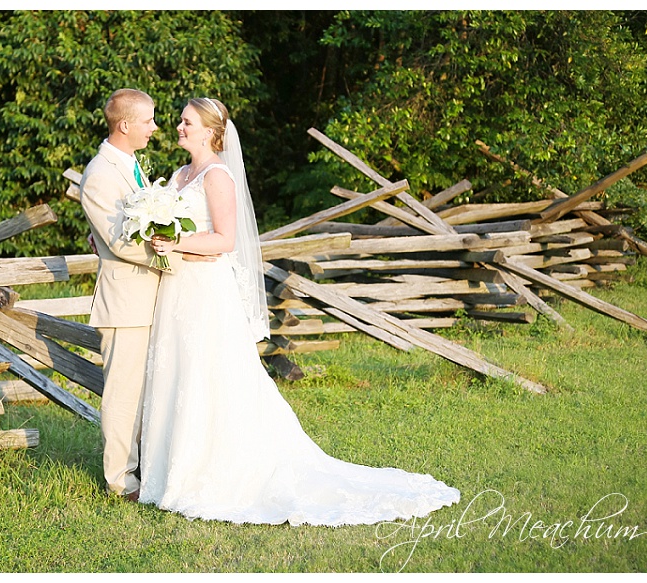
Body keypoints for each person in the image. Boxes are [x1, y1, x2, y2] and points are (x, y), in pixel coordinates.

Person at [138, 98, 461, 526]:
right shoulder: (180, 175)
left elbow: (226, 240)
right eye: (180, 121)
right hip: (176, 289)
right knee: (177, 371)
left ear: (211, 132)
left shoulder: (217, 175)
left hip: (205, 292)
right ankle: (168, 472)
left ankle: (213, 472)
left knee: (208, 375)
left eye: (186, 122)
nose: (178, 127)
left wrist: (175, 243)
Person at [79, 88, 161, 502]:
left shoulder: (131, 166)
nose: (155, 128)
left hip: (147, 299)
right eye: (148, 121)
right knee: (123, 393)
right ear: (125, 125)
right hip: (125, 302)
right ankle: (120, 481)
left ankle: (145, 467)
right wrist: (181, 256)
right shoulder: (99, 174)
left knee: (146, 391)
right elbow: (121, 243)